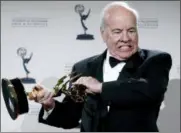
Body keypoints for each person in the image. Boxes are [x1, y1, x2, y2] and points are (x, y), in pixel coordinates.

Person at [32, 1, 172, 132]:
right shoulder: (82, 68)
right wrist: (50, 105)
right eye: (117, 32)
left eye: (131, 30)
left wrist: (100, 87)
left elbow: (149, 91)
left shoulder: (156, 60)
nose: (126, 38)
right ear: (103, 34)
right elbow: (70, 118)